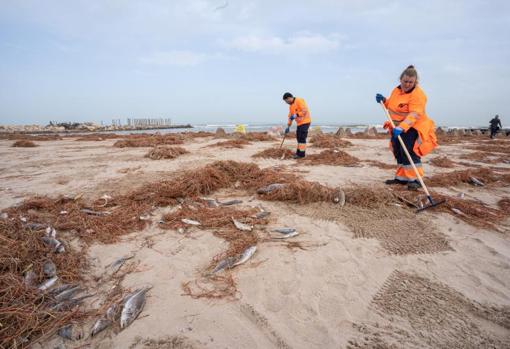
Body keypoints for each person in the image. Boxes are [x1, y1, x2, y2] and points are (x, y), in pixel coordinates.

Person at [375, 65, 438, 190]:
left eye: (411, 82)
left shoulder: (418, 94)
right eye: (405, 81)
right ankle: (401, 179)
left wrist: (403, 127)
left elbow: (414, 114)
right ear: (400, 80)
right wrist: (384, 100)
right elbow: (394, 106)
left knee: (409, 151)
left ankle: (415, 180)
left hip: (412, 127)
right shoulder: (396, 90)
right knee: (398, 151)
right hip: (397, 126)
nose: (407, 84)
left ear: (415, 82)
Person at [283, 92, 311, 158]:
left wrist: (296, 115)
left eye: (286, 101)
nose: (286, 102)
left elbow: (305, 110)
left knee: (302, 138)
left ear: (289, 98)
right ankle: (298, 153)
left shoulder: (299, 100)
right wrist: (288, 126)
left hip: (305, 122)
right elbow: (290, 116)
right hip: (299, 123)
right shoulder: (291, 106)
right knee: (298, 138)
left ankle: (301, 155)